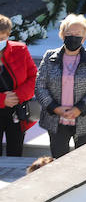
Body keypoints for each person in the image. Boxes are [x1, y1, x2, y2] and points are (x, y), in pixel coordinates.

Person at [34, 14, 86, 157]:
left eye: (78, 34)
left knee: (83, 162)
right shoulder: (49, 57)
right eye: (69, 33)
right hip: (56, 119)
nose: (73, 37)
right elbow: (40, 86)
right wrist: (55, 108)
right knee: (58, 161)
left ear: (84, 38)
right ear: (62, 35)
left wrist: (80, 109)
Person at [0, 13, 36, 157]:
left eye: (2, 38)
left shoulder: (20, 50)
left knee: (15, 151)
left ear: (8, 35)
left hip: (16, 110)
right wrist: (2, 99)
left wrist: (17, 96)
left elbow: (34, 77)